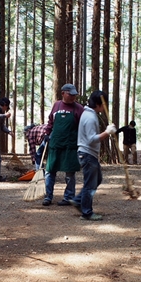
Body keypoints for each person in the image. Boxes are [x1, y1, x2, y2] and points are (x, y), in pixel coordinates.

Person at [70, 90, 116, 221]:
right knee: (90, 183)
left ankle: (79, 201)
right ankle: (87, 212)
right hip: (87, 153)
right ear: (98, 104)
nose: (105, 107)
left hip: (88, 154)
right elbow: (91, 139)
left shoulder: (90, 114)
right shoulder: (89, 117)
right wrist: (107, 132)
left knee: (97, 179)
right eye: (104, 104)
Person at [42, 84, 85, 206]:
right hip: (55, 143)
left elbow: (83, 126)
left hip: (70, 145)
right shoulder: (56, 105)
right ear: (63, 93)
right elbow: (51, 121)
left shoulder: (79, 108)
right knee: (50, 171)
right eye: (70, 94)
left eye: (74, 95)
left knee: (70, 173)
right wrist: (47, 133)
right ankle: (48, 196)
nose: (73, 97)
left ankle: (68, 197)